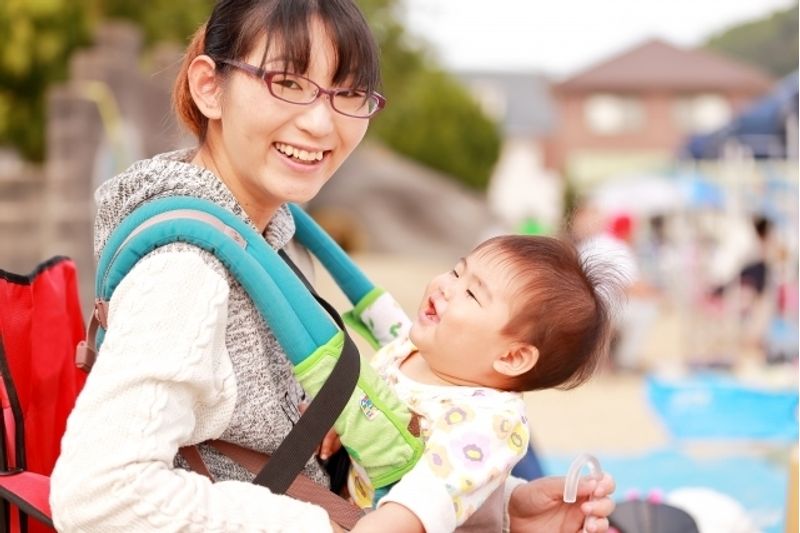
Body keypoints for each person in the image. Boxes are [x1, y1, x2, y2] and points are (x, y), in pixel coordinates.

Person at [49, 1, 616, 531]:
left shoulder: (272, 235)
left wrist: (504, 508)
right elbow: (102, 495)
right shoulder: (184, 271)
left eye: (349, 94)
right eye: (288, 83)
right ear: (209, 88)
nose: (321, 125)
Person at [339, 235, 623, 533]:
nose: (445, 287)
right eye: (456, 271)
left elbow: (425, 498)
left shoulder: (490, 422)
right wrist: (339, 421)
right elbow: (365, 402)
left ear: (512, 356)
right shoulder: (408, 348)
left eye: (472, 294)